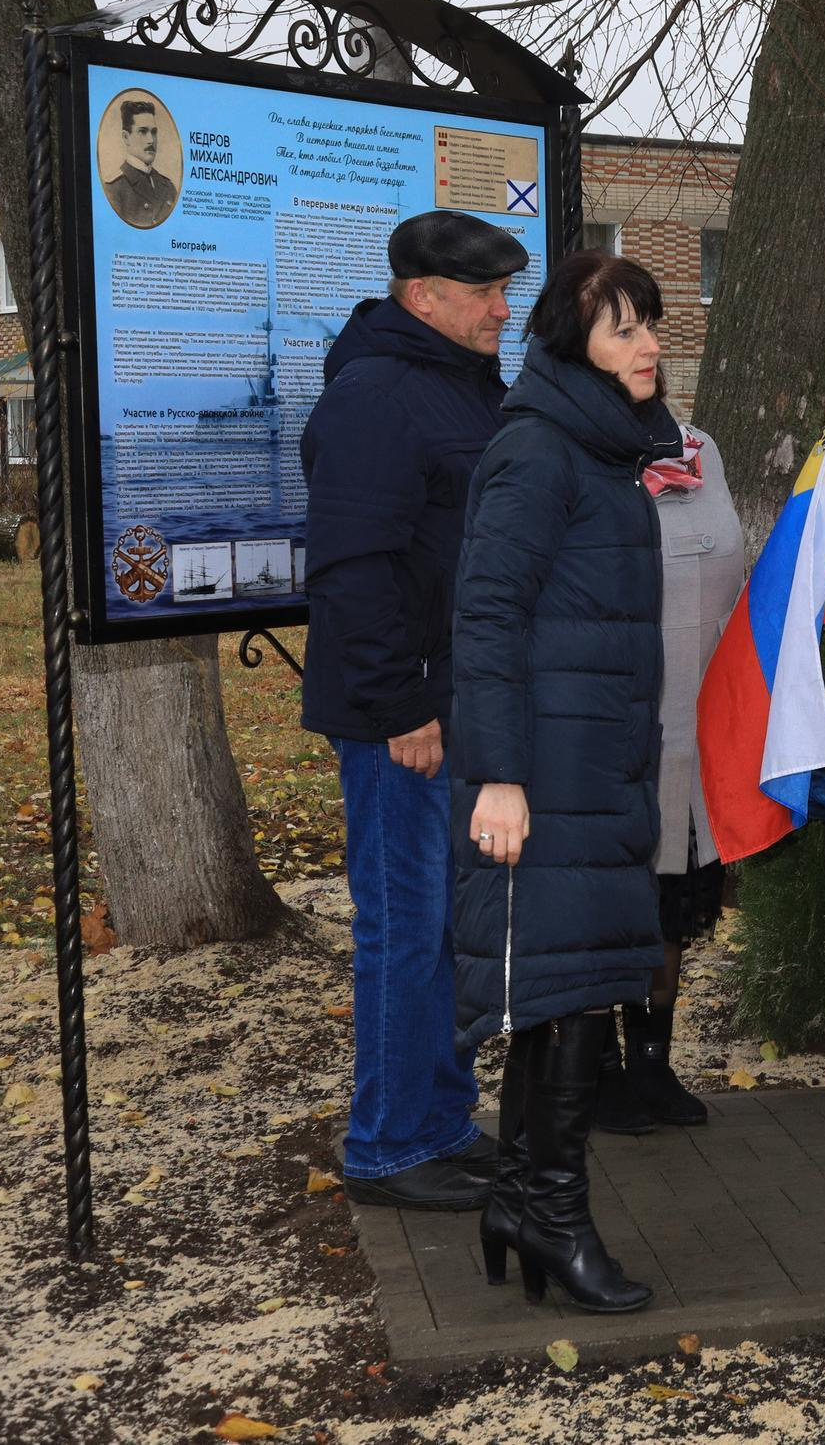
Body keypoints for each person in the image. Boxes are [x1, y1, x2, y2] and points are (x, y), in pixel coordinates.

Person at [450, 250, 679, 1314]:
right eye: (624, 328)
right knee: (575, 988)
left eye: (651, 325)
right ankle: (555, 1211)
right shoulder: (539, 450)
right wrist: (496, 774)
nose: (649, 345)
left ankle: (517, 1198)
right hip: (544, 771)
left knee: (568, 985)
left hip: (597, 761)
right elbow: (485, 616)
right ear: (568, 343)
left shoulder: (605, 451)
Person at [300, 210, 526, 1212]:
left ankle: (438, 1122)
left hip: (455, 698)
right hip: (405, 715)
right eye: (484, 294)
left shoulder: (463, 389)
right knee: (404, 928)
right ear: (423, 295)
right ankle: (389, 1146)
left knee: (445, 930)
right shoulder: (377, 395)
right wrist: (401, 704)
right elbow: (355, 566)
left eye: (505, 292)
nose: (501, 310)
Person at [594, 413, 747, 1135]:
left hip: (692, 733)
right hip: (607, 737)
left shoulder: (702, 449)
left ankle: (652, 1065)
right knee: (605, 911)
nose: (647, 349)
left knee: (669, 907)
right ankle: (593, 1074)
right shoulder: (580, 453)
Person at [103, 97, 177, 228]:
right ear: (126, 137)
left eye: (154, 132)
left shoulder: (169, 187)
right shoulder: (114, 189)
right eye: (142, 131)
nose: (151, 140)